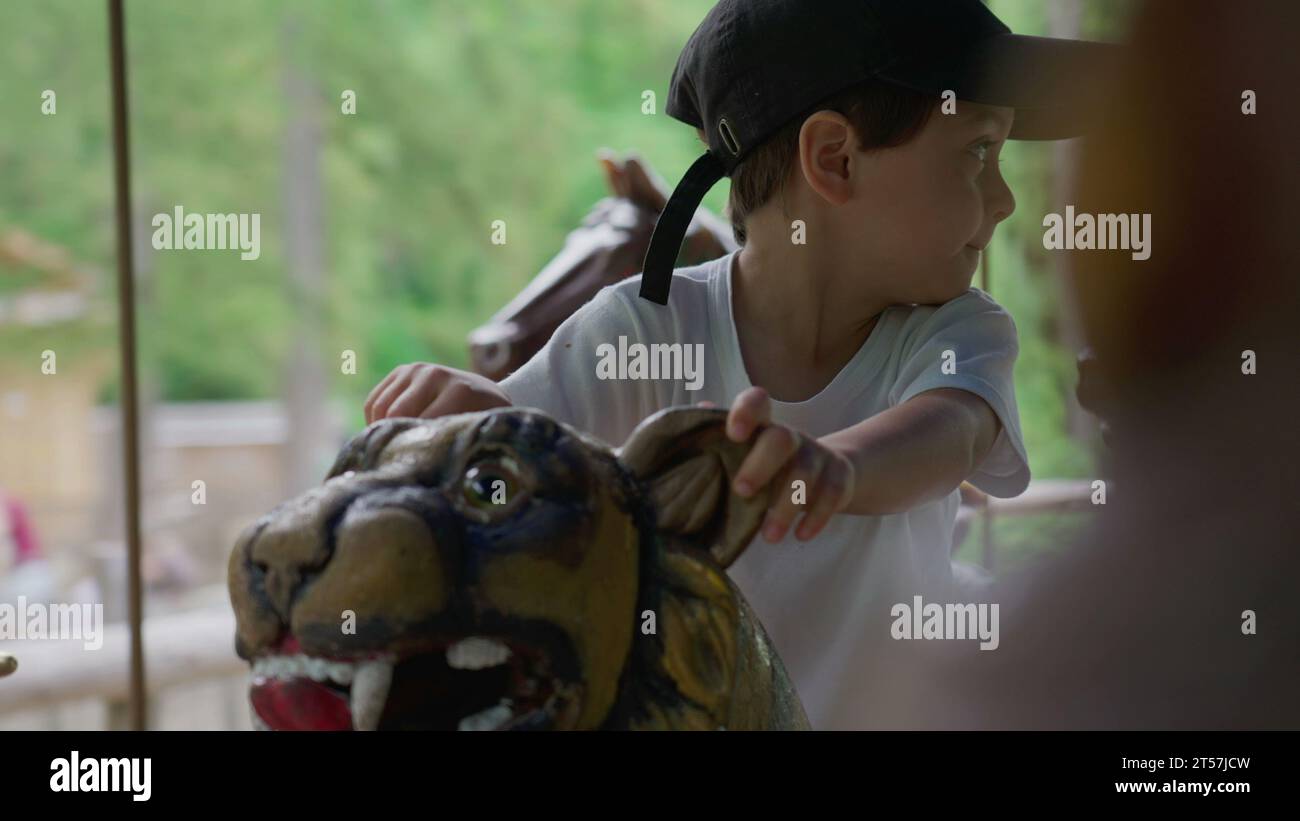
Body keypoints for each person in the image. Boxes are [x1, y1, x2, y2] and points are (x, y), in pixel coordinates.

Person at [363, 0, 1114, 728]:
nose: (1007, 198)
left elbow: (952, 427)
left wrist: (839, 467)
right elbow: (524, 459)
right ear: (835, 159)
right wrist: (473, 414)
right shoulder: (645, 326)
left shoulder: (959, 330)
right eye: (978, 152)